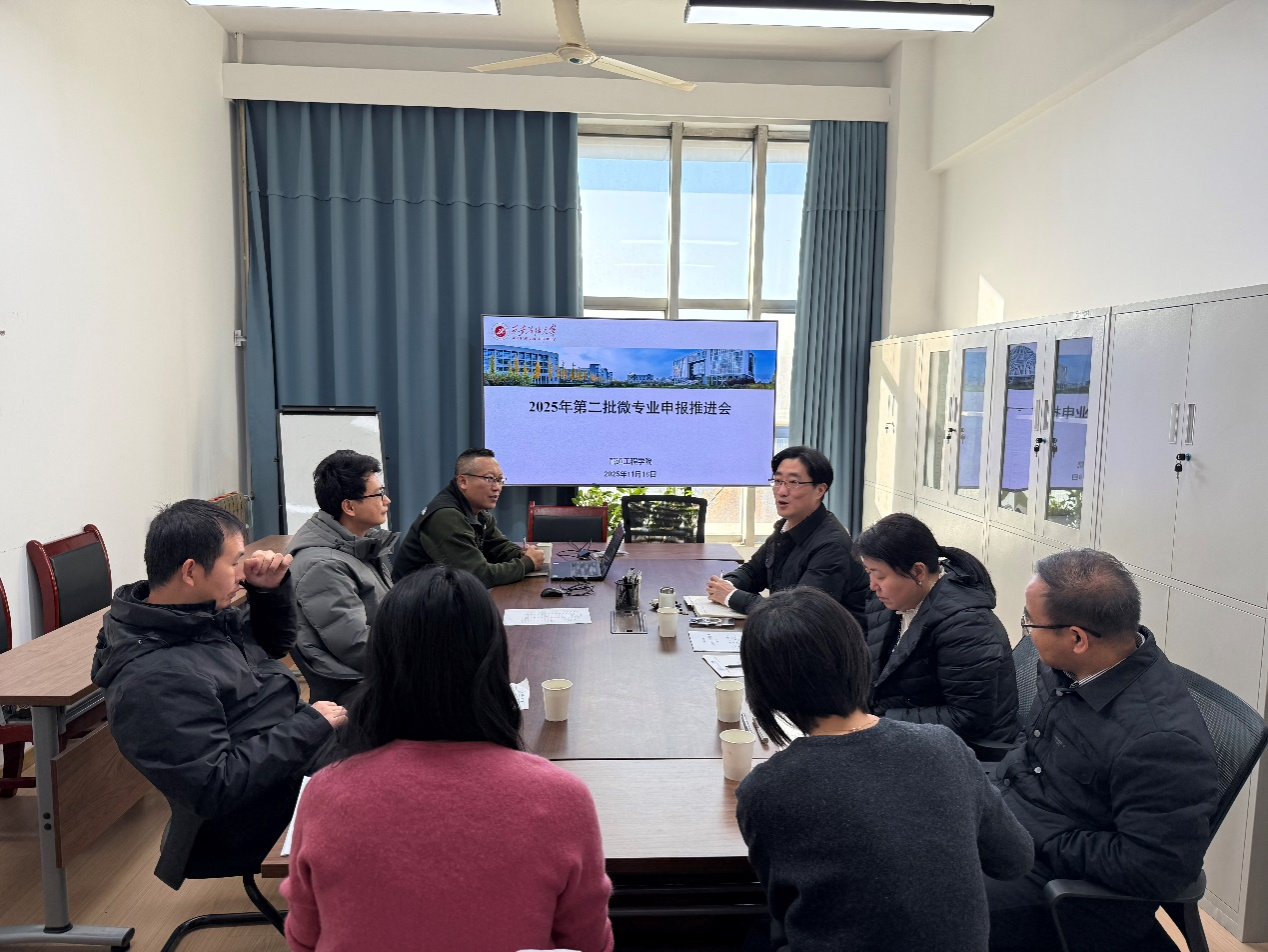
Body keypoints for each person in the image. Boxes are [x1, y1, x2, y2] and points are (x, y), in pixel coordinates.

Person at [281, 566, 614, 952]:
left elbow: (304, 939)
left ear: (380, 664)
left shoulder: (324, 793)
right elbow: (587, 943)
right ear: (495, 660)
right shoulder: (562, 797)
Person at [735, 587, 1033, 952]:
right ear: (857, 655)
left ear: (763, 687)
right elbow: (1015, 860)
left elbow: (782, 909)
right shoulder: (944, 747)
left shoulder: (765, 789)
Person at [91, 500, 345, 884]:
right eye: (235, 562)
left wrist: (267, 593)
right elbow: (215, 788)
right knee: (396, 789)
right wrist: (310, 726)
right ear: (191, 571)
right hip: (244, 821)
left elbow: (271, 646)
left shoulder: (191, 617)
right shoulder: (154, 678)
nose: (242, 574)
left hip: (288, 766)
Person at [987, 549, 1219, 952]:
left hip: (1072, 895)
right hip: (1023, 825)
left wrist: (1035, 830)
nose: (1026, 631)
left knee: (924, 904)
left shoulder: (1159, 743)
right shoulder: (1068, 668)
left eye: (1029, 622)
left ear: (1077, 638)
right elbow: (1031, 745)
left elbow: (1153, 869)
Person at [855, 512, 1019, 749]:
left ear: (918, 572)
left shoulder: (967, 625)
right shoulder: (892, 601)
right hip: (905, 730)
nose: (873, 585)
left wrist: (879, 721)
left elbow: (966, 719)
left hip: (969, 749)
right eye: (868, 572)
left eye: (879, 575)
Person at [706, 446, 870, 627]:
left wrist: (731, 596)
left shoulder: (831, 545)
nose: (781, 491)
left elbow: (799, 615)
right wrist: (726, 584)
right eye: (778, 481)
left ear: (820, 490)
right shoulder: (786, 527)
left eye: (793, 482)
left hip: (828, 641)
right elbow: (752, 572)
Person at [287, 450, 396, 703]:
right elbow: (357, 647)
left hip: (382, 670)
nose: (387, 500)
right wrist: (423, 655)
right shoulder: (322, 566)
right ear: (349, 507)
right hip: (359, 688)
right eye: (378, 494)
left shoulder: (360, 545)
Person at [391, 447, 546, 586]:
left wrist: (520, 553)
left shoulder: (477, 512)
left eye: (500, 480)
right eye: (489, 479)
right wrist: (527, 563)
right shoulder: (446, 516)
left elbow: (498, 547)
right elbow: (478, 576)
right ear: (463, 481)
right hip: (418, 602)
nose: (497, 487)